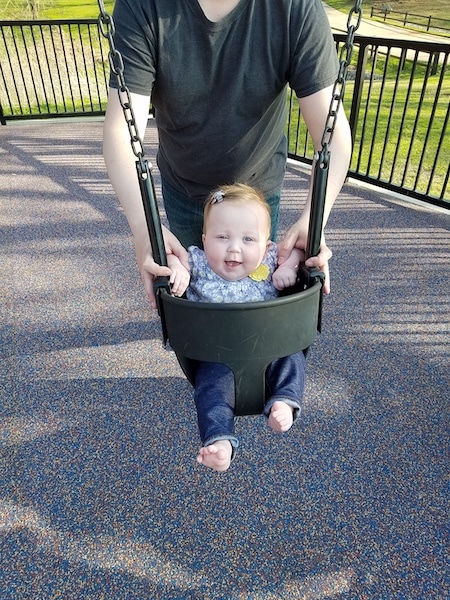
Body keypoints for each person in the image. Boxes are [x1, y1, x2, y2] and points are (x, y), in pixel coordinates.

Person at [102, 0, 352, 310]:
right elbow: (121, 132)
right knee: (188, 295)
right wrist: (144, 229)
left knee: (255, 289)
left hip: (256, 192)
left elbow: (332, 135)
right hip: (185, 186)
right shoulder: (144, 6)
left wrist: (313, 220)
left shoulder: (292, 7)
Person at [166, 184, 307, 471]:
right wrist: (176, 267)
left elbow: (297, 255)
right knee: (210, 391)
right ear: (204, 240)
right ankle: (220, 442)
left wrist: (290, 267)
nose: (234, 247)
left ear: (267, 245)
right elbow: (170, 256)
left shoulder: (270, 260)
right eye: (222, 237)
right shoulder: (197, 261)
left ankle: (284, 401)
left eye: (247, 239)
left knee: (292, 355)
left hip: (269, 346)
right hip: (217, 354)